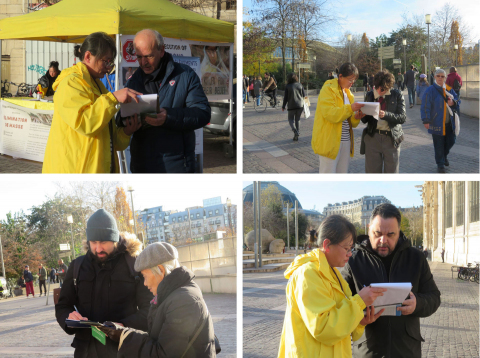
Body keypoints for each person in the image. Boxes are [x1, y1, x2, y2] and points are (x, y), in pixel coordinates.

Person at [277, 215, 387, 357]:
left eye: (351, 249)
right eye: (347, 248)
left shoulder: (333, 273)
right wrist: (360, 301)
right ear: (326, 245)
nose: (349, 254)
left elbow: (339, 318)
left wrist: (359, 321)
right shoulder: (308, 274)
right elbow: (323, 327)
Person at [341, 203, 441, 358]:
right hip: (367, 350)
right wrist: (359, 312)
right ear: (369, 229)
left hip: (407, 350)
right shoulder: (353, 261)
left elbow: (434, 297)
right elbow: (340, 304)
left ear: (399, 232)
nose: (383, 240)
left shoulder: (416, 258)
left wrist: (417, 304)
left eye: (390, 235)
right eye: (377, 233)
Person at [55, 209, 153, 358]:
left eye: (104, 242)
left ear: (114, 239)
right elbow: (62, 306)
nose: (98, 248)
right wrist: (69, 317)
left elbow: (150, 309)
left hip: (124, 349)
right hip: (85, 351)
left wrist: (124, 326)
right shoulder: (77, 266)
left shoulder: (133, 265)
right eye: (93, 242)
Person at [42, 32, 142, 173]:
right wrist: (113, 98)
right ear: (88, 56)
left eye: (110, 62)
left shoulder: (97, 86)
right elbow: (85, 123)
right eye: (106, 61)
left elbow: (108, 137)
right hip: (75, 172)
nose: (108, 68)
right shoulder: (71, 83)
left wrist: (126, 132)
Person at [99, 242, 216, 357]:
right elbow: (158, 340)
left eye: (145, 276)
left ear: (161, 270)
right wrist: (124, 333)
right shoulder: (172, 296)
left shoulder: (183, 301)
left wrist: (125, 337)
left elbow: (163, 354)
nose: (144, 283)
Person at [124, 29, 211, 173]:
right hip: (142, 166)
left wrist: (169, 117)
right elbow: (121, 122)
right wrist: (127, 126)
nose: (143, 62)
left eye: (149, 56)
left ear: (162, 50)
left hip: (176, 166)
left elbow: (203, 114)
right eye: (139, 57)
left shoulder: (185, 75)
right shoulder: (133, 82)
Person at [312, 62, 365, 173]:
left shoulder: (349, 94)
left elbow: (352, 123)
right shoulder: (328, 89)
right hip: (330, 141)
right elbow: (330, 114)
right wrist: (350, 108)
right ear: (340, 76)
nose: (352, 82)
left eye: (354, 80)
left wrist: (357, 116)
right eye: (350, 79)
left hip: (346, 141)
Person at [362, 69, 406, 173]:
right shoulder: (370, 95)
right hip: (373, 137)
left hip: (391, 138)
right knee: (372, 173)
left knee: (391, 173)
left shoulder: (397, 94)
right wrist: (361, 115)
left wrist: (386, 115)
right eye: (376, 88)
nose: (378, 91)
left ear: (388, 87)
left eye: (382, 89)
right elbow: (365, 120)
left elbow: (402, 117)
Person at [421, 69, 459, 173]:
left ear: (445, 78)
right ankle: (440, 164)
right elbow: (425, 106)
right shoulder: (430, 90)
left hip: (450, 122)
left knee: (452, 140)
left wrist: (453, 103)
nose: (440, 78)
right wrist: (426, 120)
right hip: (436, 122)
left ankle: (444, 155)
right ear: (435, 77)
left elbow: (457, 100)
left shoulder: (449, 89)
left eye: (442, 76)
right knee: (438, 145)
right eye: (438, 76)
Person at [282, 73, 305, 141]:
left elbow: (285, 97)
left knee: (290, 119)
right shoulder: (300, 85)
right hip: (300, 105)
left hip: (292, 105)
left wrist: (283, 106)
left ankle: (295, 131)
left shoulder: (288, 86)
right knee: (297, 119)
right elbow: (304, 95)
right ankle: (296, 136)